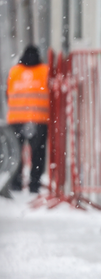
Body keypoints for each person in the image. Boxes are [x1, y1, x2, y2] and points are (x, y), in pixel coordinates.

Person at [6, 45, 51, 194]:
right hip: (39, 119)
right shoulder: (45, 71)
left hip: (16, 119)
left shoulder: (15, 71)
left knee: (16, 152)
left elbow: (8, 94)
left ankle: (16, 182)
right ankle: (34, 183)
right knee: (38, 153)